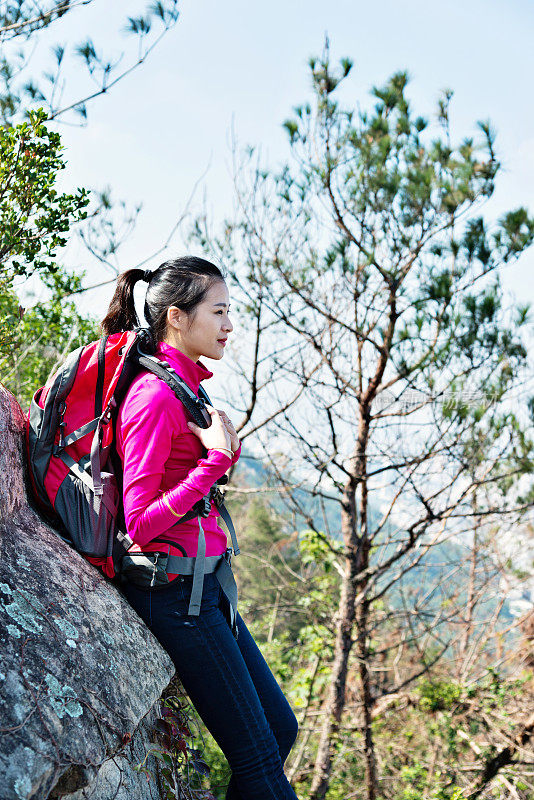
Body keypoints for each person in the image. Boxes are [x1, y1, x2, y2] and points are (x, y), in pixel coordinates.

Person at [100, 256, 299, 800]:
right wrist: (215, 462)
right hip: (173, 592)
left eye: (229, 312)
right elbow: (139, 523)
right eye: (219, 312)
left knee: (281, 731)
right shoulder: (155, 397)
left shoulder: (186, 385)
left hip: (205, 585)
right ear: (176, 318)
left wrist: (218, 458)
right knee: (259, 762)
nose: (229, 325)